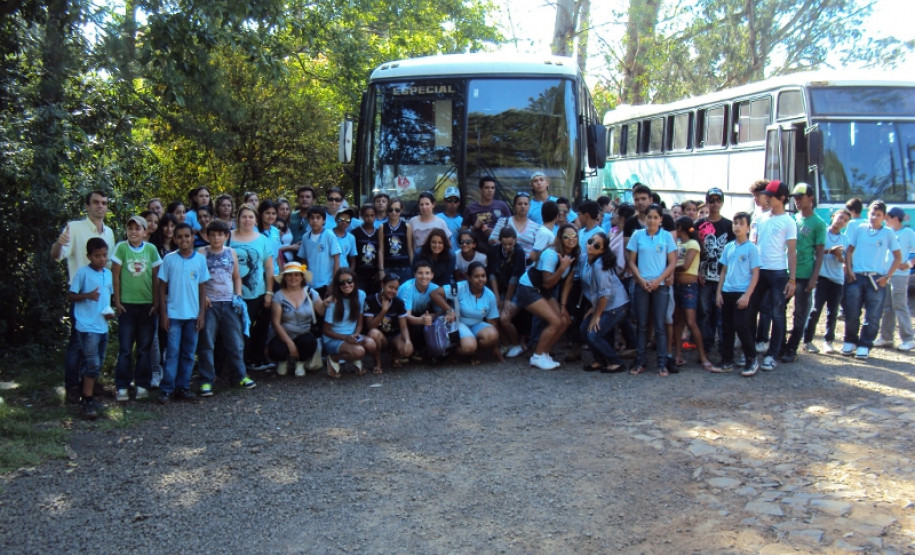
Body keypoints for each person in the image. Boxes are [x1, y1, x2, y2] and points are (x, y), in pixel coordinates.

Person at [51, 190, 115, 403]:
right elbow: (57, 256)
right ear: (87, 206)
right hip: (81, 297)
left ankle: (91, 385)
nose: (100, 206)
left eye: (104, 203)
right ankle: (72, 388)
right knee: (77, 345)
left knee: (98, 346)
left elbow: (110, 266)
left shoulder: (109, 232)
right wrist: (59, 242)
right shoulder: (75, 228)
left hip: (101, 301)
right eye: (95, 202)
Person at [196, 220, 257, 394]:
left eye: (220, 234)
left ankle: (239, 375)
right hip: (210, 304)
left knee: (235, 342)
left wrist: (237, 295)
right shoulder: (202, 253)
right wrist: (204, 296)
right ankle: (206, 379)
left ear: (226, 236)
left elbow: (237, 276)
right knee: (207, 343)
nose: (216, 238)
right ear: (207, 236)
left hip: (229, 302)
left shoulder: (231, 252)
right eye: (212, 235)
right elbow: (197, 279)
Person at [842, 200, 902, 360]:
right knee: (852, 311)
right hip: (857, 275)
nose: (874, 217)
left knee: (873, 315)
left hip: (876, 278)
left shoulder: (888, 233)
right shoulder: (860, 229)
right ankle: (850, 340)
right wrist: (849, 269)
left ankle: (865, 344)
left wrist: (887, 276)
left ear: (884, 217)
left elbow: (898, 257)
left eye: (878, 215)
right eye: (872, 214)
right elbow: (849, 251)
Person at [157, 223, 209, 404]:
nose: (184, 240)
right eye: (179, 237)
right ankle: (166, 388)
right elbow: (162, 287)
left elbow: (202, 288)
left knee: (188, 353)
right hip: (173, 315)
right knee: (172, 352)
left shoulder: (200, 260)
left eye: (187, 236)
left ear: (193, 237)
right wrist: (163, 314)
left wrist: (201, 314)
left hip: (193, 315)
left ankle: (183, 387)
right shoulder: (169, 260)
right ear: (175, 239)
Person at [515, 224, 579, 370]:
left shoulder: (574, 254)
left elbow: (568, 283)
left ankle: (544, 353)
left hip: (543, 291)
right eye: (566, 237)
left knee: (565, 320)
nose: (571, 239)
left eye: (574, 236)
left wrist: (562, 306)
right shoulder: (551, 254)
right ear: (559, 238)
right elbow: (548, 282)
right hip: (529, 288)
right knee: (555, 321)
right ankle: (537, 356)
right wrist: (562, 267)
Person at [112, 215, 161, 402]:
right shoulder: (121, 248)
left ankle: (142, 384)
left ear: (145, 231)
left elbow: (157, 277)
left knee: (144, 348)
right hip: (127, 305)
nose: (134, 232)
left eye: (138, 228)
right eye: (130, 228)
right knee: (125, 348)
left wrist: (156, 302)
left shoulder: (151, 249)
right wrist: (117, 301)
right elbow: (115, 276)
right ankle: (122, 386)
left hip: (147, 305)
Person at [749, 180, 796, 372]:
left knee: (777, 314)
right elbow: (753, 244)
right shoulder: (761, 218)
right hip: (759, 271)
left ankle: (772, 354)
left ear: (782, 198)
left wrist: (792, 279)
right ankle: (750, 351)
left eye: (771, 195)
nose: (766, 198)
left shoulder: (788, 221)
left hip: (778, 272)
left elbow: (792, 252)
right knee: (751, 310)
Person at [627, 204, 678, 376]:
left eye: (656, 217)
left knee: (660, 325)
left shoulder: (666, 237)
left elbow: (672, 262)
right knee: (641, 324)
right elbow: (631, 261)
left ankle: (662, 363)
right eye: (649, 217)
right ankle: (640, 362)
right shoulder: (637, 235)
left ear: (661, 220)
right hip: (642, 285)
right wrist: (641, 280)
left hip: (660, 286)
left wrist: (659, 280)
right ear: (645, 218)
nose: (652, 220)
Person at [67, 237, 115, 419]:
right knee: (91, 362)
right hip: (87, 326)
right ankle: (87, 399)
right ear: (89, 256)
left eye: (104, 255)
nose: (101, 259)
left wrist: (109, 313)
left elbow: (106, 298)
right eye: (97, 256)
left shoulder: (108, 274)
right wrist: (87, 295)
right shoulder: (82, 273)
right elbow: (70, 296)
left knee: (98, 361)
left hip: (102, 324)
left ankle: (88, 390)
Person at [782, 183, 826, 362]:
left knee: (800, 313)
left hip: (805, 274)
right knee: (779, 307)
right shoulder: (792, 219)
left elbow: (820, 252)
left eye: (801, 197)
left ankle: (792, 348)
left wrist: (814, 278)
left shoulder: (818, 223)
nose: (797, 201)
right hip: (787, 272)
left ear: (811, 198)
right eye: (795, 198)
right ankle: (781, 343)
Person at [671, 217, 720, 372]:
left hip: (689, 286)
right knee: (678, 321)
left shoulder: (693, 244)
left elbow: (685, 265)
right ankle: (678, 354)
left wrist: (671, 267)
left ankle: (703, 356)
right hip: (677, 285)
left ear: (679, 228)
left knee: (691, 322)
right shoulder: (678, 243)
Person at [716, 212, 761, 376]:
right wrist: (718, 293)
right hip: (727, 291)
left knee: (741, 326)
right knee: (726, 328)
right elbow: (723, 271)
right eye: (735, 223)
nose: (737, 226)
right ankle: (727, 361)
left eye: (741, 223)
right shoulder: (729, 247)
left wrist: (747, 295)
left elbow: (755, 273)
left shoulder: (751, 248)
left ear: (748, 227)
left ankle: (751, 359)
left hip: (742, 292)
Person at [231, 204, 275, 371]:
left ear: (256, 219)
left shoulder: (263, 240)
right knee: (236, 329)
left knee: (255, 328)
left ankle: (253, 359)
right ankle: (236, 363)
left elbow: (269, 268)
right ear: (238, 219)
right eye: (244, 216)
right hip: (232, 293)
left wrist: (269, 292)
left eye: (250, 217)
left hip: (257, 292)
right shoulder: (228, 237)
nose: (247, 220)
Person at [431, 261, 502, 365]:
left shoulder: (489, 295)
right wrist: (449, 310)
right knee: (469, 347)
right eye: (476, 276)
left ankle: (476, 352)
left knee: (493, 334)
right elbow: (435, 293)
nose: (480, 279)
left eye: (483, 276)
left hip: (477, 323)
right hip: (459, 322)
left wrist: (495, 347)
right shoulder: (460, 287)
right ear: (469, 278)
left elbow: (492, 322)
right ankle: (453, 353)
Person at [580, 232, 629, 373]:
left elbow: (604, 294)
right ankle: (599, 360)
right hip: (603, 304)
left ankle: (616, 362)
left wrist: (597, 315)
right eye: (590, 241)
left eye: (596, 245)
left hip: (616, 305)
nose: (591, 246)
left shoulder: (600, 266)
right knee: (584, 329)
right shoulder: (585, 259)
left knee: (593, 333)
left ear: (602, 250)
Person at [803, 209, 850, 354]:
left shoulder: (845, 239)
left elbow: (846, 261)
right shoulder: (822, 233)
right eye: (840, 217)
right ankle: (808, 340)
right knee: (815, 310)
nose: (841, 221)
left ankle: (828, 341)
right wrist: (829, 251)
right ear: (833, 217)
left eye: (845, 220)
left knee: (833, 311)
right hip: (821, 277)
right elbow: (813, 251)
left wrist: (840, 258)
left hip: (837, 279)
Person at [695, 187, 735, 356]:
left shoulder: (729, 225)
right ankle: (706, 346)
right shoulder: (698, 225)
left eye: (718, 200)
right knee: (704, 312)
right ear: (707, 202)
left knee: (721, 314)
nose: (715, 204)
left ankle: (722, 348)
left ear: (722, 202)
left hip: (722, 276)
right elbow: (693, 249)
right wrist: (696, 271)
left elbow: (734, 251)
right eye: (711, 201)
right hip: (704, 275)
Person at [269, 263, 325, 378]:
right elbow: (276, 323)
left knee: (309, 341)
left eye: (296, 275)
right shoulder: (278, 296)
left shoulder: (311, 293)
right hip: (284, 335)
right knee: (275, 348)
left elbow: (322, 312)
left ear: (302, 277)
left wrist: (328, 302)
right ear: (284, 278)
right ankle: (282, 361)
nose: (293, 278)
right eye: (289, 275)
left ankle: (300, 362)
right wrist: (289, 343)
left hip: (304, 334)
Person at [323, 268, 376, 377]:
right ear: (337, 285)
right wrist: (346, 338)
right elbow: (326, 330)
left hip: (351, 335)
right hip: (334, 338)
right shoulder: (333, 301)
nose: (346, 285)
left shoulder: (361, 295)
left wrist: (356, 334)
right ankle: (333, 358)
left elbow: (360, 322)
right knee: (359, 351)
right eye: (342, 282)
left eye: (349, 281)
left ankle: (354, 357)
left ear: (355, 281)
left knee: (371, 344)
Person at [875, 207, 915, 351]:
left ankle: (909, 338)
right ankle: (886, 337)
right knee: (887, 307)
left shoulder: (908, 233)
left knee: (899, 305)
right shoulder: (887, 232)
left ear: (896, 218)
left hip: (900, 275)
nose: (886, 220)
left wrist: (909, 263)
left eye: (888, 217)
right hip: (887, 274)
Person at [488, 227, 526, 358]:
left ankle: (516, 344)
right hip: (500, 288)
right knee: (494, 314)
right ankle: (505, 343)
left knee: (504, 318)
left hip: (517, 290)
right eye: (504, 244)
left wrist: (507, 300)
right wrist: (497, 297)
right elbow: (492, 274)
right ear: (499, 241)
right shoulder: (494, 250)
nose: (507, 247)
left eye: (510, 244)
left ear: (516, 241)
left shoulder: (519, 252)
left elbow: (515, 278)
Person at [365, 273, 413, 373]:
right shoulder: (370, 300)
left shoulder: (398, 302)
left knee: (407, 350)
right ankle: (377, 363)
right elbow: (370, 326)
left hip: (394, 336)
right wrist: (383, 311)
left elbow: (403, 326)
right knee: (373, 333)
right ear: (382, 285)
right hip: (380, 337)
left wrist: (408, 341)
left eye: (396, 288)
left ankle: (394, 356)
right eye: (390, 287)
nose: (393, 291)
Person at [397, 260, 441, 360]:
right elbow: (405, 317)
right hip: (400, 319)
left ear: (432, 275)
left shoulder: (435, 288)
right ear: (414, 274)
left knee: (434, 322)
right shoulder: (407, 288)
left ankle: (421, 350)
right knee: (417, 325)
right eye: (420, 273)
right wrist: (421, 320)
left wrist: (432, 316)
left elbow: (441, 311)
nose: (424, 276)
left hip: (421, 315)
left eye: (427, 273)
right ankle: (407, 348)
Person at [295, 206, 341, 295]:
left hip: (326, 283)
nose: (315, 220)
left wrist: (333, 283)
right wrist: (304, 276)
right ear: (308, 220)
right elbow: (303, 260)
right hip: (310, 284)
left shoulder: (329, 235)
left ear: (323, 220)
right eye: (312, 218)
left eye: (318, 217)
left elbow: (336, 259)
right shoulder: (305, 237)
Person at [463, 176, 512, 252]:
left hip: (499, 251)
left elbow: (511, 228)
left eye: (492, 188)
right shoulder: (470, 208)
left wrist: (495, 233)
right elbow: (462, 234)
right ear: (480, 189)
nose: (490, 190)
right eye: (487, 188)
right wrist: (474, 227)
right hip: (478, 252)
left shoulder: (502, 206)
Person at [489, 192, 540, 263]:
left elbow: (538, 249)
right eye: (519, 204)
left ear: (529, 206)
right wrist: (506, 246)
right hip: (506, 266)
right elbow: (491, 239)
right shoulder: (504, 222)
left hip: (527, 268)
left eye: (526, 204)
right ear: (515, 206)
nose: (523, 206)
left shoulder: (536, 227)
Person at [353, 204, 385, 295]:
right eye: (366, 215)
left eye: (372, 215)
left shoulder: (379, 232)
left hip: (374, 273)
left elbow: (381, 251)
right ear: (362, 216)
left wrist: (380, 270)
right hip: (359, 273)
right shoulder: (355, 232)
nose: (369, 218)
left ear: (375, 215)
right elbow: (353, 255)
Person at [383, 198, 413, 283]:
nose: (393, 212)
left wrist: (412, 267)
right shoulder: (383, 227)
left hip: (404, 266)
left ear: (401, 210)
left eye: (397, 210)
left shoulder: (407, 226)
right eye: (390, 210)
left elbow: (410, 248)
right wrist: (381, 269)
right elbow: (381, 250)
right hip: (388, 266)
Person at [257, 200, 281, 276]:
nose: (271, 216)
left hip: (275, 273)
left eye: (273, 213)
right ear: (261, 214)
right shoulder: (254, 231)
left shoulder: (276, 231)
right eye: (267, 213)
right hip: (259, 274)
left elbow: (278, 254)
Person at [438, 186, 463, 251]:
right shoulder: (437, 219)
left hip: (457, 257)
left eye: (455, 200)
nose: (452, 203)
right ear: (444, 201)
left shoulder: (462, 221)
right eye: (449, 200)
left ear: (459, 202)